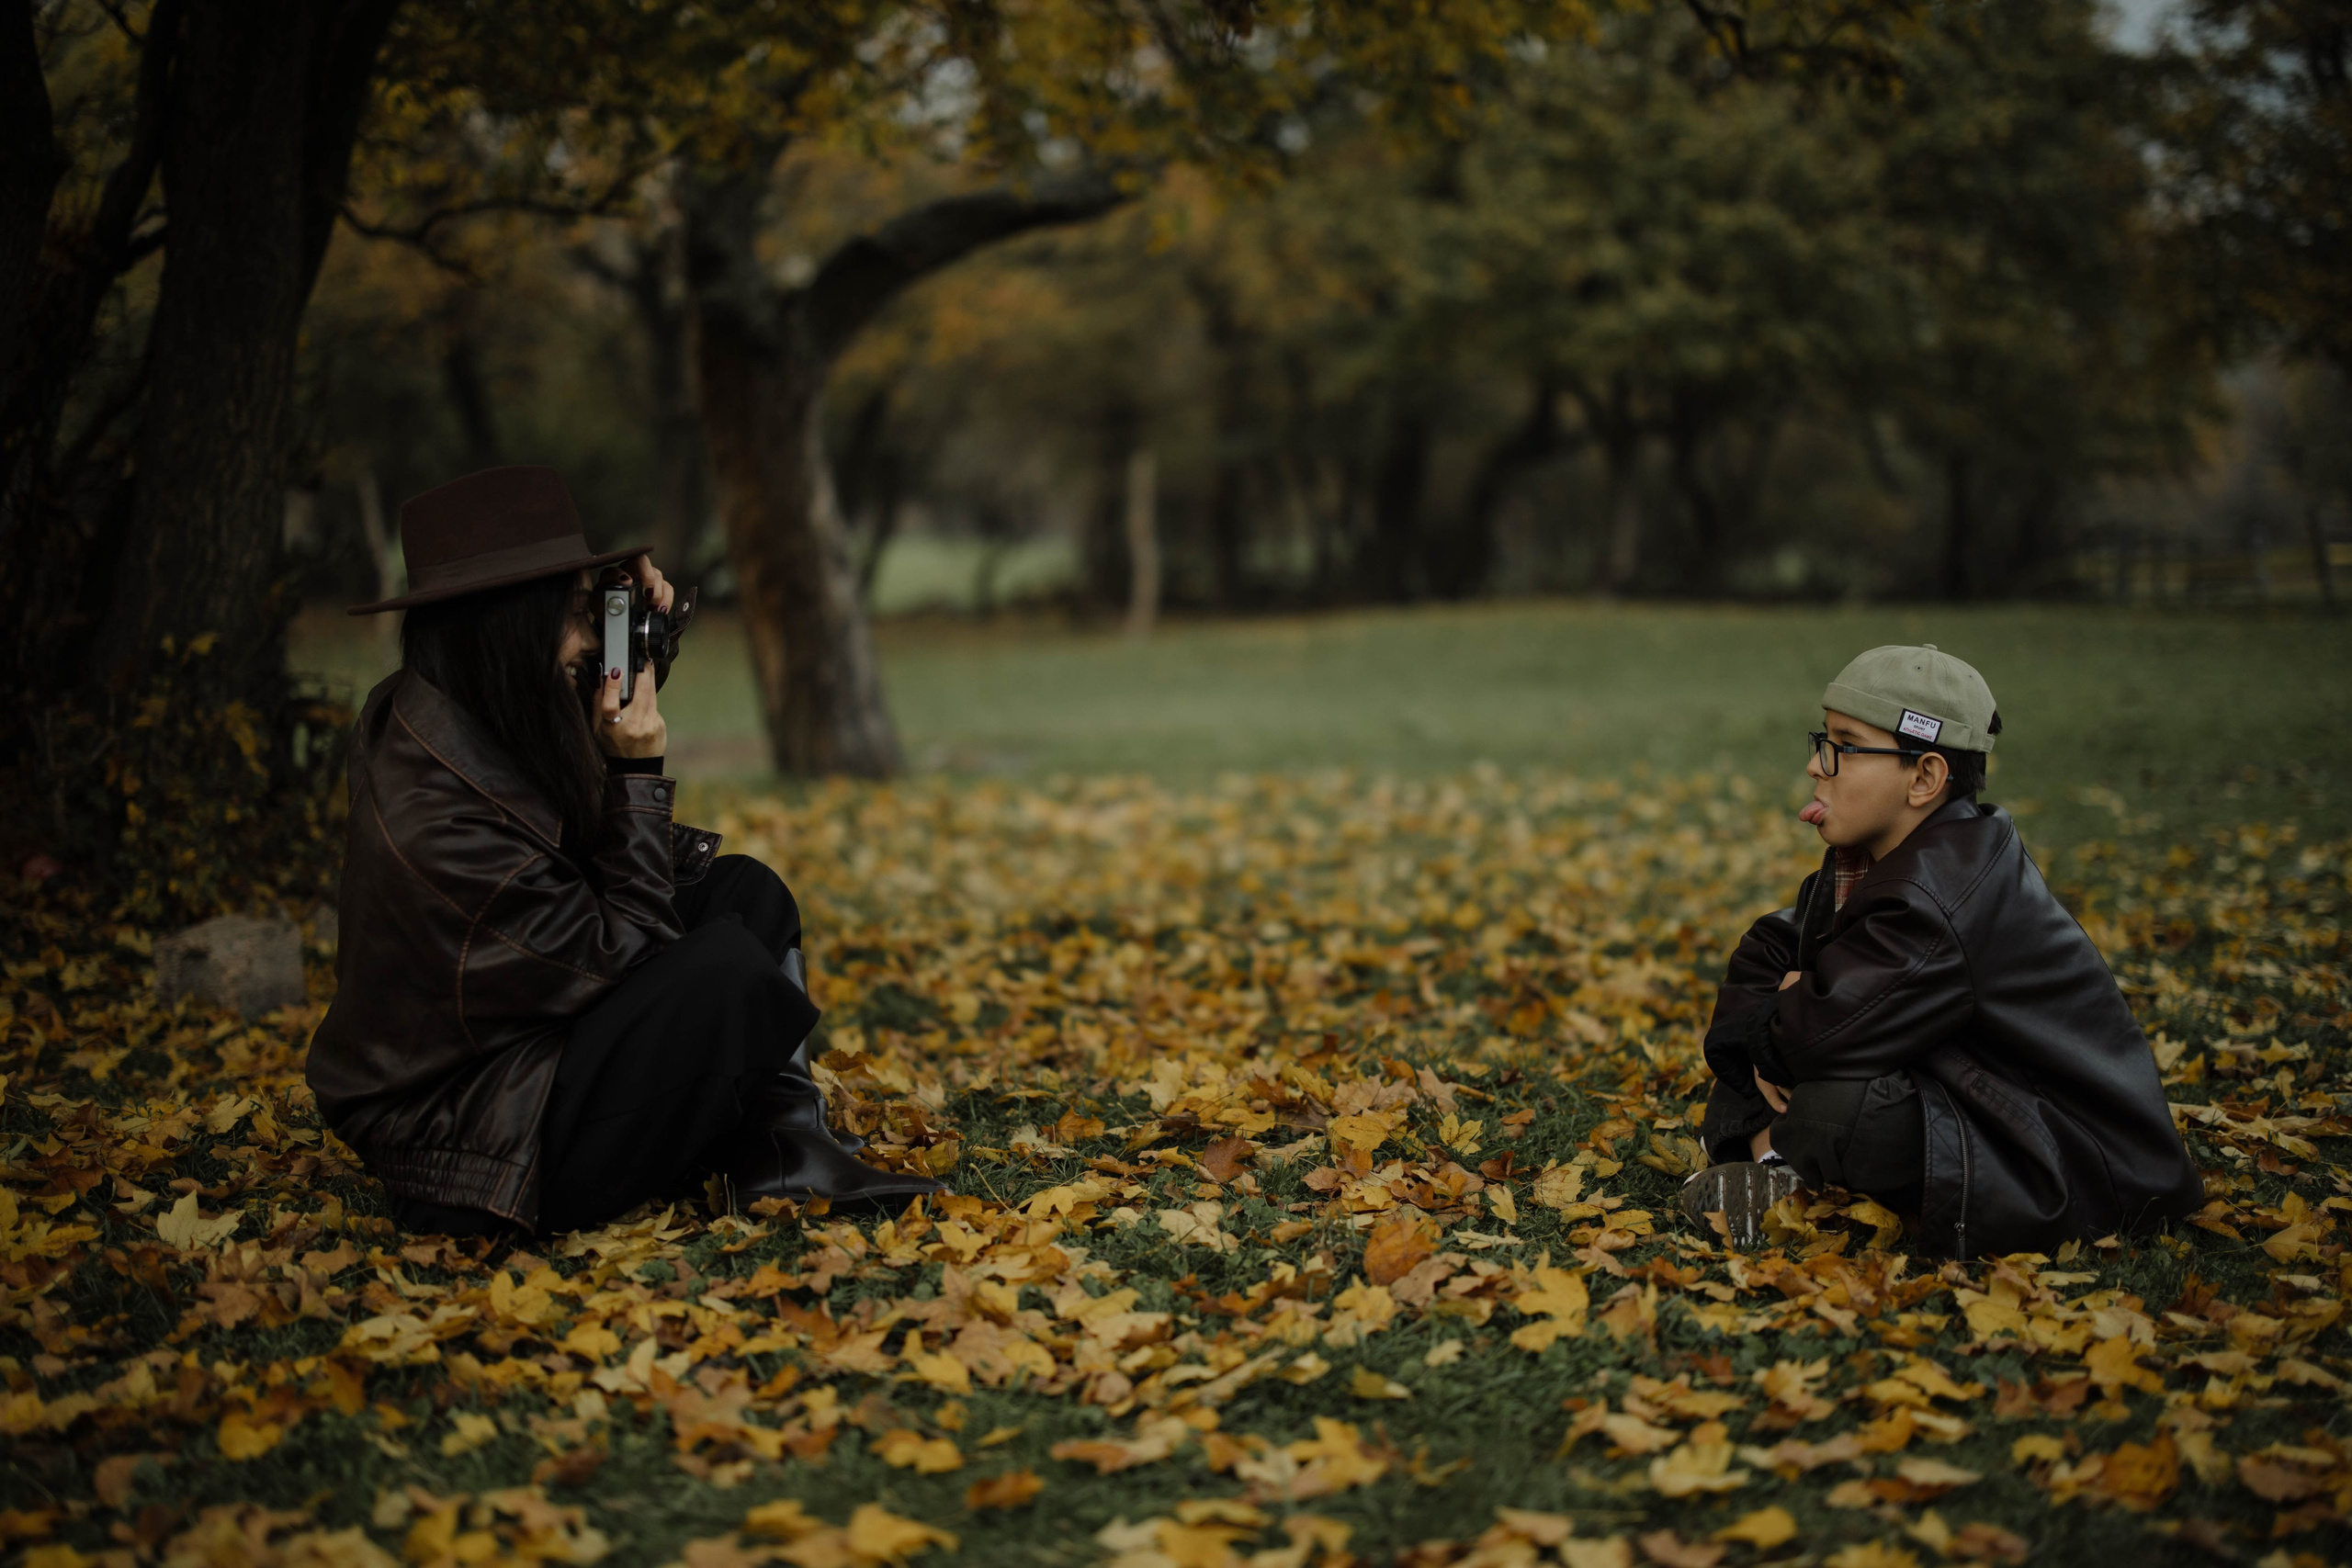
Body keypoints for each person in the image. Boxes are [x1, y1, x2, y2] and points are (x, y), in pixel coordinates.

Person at [306, 466, 939, 1236]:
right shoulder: (433, 821)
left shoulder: (455, 702)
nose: (587, 633)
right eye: (576, 610)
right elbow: (626, 955)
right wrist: (638, 771)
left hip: (524, 1049)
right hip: (470, 1140)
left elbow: (570, 818)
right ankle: (776, 1151)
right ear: (508, 622)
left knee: (745, 893)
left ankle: (782, 1151)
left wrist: (637, 649)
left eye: (592, 603)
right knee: (723, 974)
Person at [1680, 644, 2202, 1256]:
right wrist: (1775, 1019)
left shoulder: (1939, 895)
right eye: (1822, 740)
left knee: (1844, 1102)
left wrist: (1785, 1023)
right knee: (1764, 1054)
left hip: (2077, 1165)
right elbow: (1770, 947)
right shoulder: (1886, 861)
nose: (1815, 765)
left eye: (1844, 747)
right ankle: (1783, 1160)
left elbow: (1818, 1036)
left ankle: (1779, 1169)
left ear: (1924, 777)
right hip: (1972, 1096)